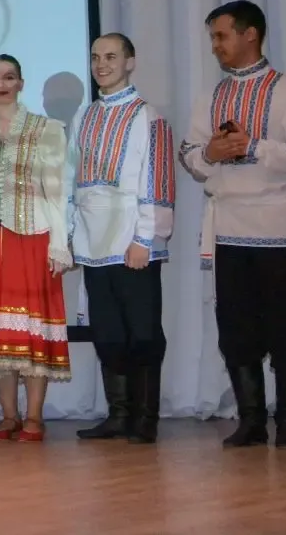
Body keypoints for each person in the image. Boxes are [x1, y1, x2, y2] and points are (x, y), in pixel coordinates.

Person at [178, 0, 286, 449]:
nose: (215, 46)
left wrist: (254, 146)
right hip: (228, 227)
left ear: (250, 34)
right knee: (235, 326)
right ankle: (251, 421)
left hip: (280, 227)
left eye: (221, 36)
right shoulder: (211, 97)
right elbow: (189, 154)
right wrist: (210, 154)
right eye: (213, 38)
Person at [68, 34, 175, 444]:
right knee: (108, 331)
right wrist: (70, 235)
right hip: (94, 241)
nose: (101, 64)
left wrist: (145, 238)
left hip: (132, 238)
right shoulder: (84, 115)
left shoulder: (148, 116)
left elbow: (157, 179)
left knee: (142, 330)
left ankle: (146, 418)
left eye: (111, 56)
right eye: (96, 57)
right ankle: (119, 414)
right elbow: (72, 178)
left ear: (130, 62)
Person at [0, 54, 71, 443]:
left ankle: (35, 416)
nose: (1, 84)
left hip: (31, 235)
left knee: (31, 331)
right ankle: (9, 415)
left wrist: (59, 244)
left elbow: (56, 190)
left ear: (21, 83)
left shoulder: (46, 128)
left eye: (9, 77)